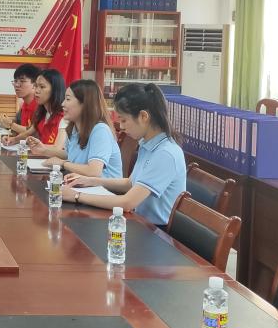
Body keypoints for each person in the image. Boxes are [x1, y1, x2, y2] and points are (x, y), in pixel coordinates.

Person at [62, 83, 186, 226]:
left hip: (155, 230)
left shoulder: (165, 153)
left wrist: (77, 196)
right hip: (138, 221)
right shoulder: (147, 144)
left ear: (143, 116)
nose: (121, 126)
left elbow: (127, 203)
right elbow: (130, 183)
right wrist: (90, 181)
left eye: (124, 120)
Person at [33, 79, 122, 179]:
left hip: (103, 187)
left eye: (68, 99)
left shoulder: (100, 130)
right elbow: (69, 154)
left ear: (85, 104)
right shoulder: (74, 127)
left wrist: (62, 163)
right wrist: (44, 150)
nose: (63, 104)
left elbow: (94, 171)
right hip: (81, 184)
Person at [2, 68, 65, 147]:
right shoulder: (42, 112)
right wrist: (13, 140)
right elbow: (28, 133)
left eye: (42, 87)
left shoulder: (63, 116)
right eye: (36, 86)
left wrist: (11, 125)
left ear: (55, 90)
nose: (36, 91)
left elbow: (58, 148)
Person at [0, 63, 39, 135]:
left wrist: (11, 125)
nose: (17, 85)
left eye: (22, 81)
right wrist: (7, 122)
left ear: (35, 85)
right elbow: (18, 126)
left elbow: (35, 133)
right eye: (15, 81)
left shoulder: (41, 107)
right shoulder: (24, 105)